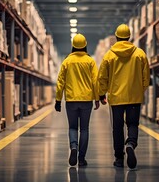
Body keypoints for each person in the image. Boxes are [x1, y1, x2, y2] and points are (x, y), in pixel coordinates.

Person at [98, 24, 150, 169]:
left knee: (117, 128)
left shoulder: (109, 55)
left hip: (116, 98)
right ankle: (131, 144)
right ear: (129, 37)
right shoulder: (140, 54)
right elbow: (146, 77)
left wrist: (102, 94)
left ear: (116, 37)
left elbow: (102, 77)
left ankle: (119, 159)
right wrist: (140, 90)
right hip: (134, 97)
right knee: (133, 124)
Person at [55, 33, 100, 167]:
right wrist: (97, 98)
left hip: (71, 100)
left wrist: (58, 100)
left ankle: (73, 147)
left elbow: (60, 82)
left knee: (73, 127)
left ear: (73, 46)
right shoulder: (90, 61)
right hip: (86, 100)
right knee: (84, 129)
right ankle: (81, 158)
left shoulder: (67, 61)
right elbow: (95, 81)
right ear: (85, 45)